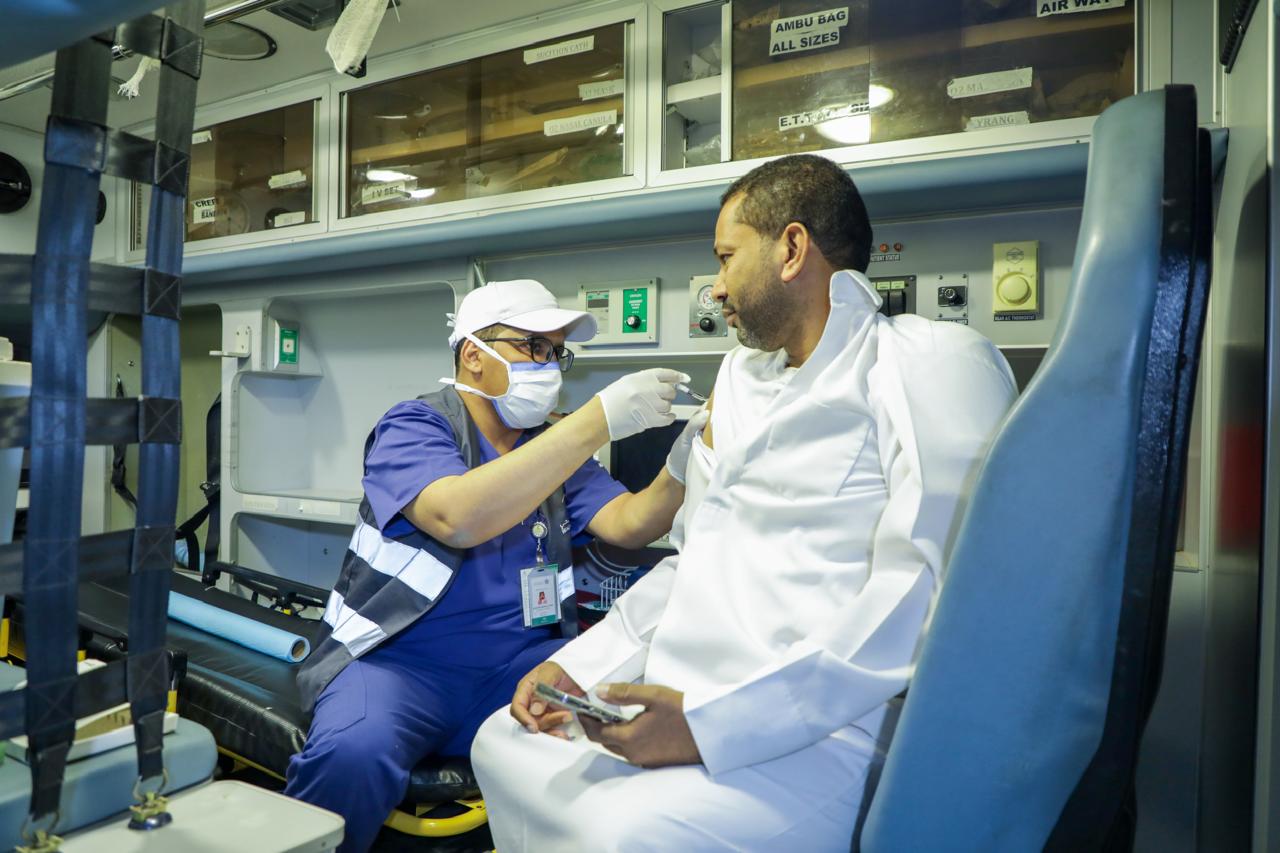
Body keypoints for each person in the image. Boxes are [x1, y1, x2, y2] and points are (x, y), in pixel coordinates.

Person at [470, 154, 1019, 850]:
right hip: (683, 700)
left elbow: (926, 595)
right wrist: (582, 666)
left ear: (792, 248)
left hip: (828, 729)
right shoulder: (739, 379)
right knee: (503, 742)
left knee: (622, 835)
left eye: (726, 258)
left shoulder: (926, 362)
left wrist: (711, 726)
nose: (717, 288)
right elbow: (693, 561)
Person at [285, 279, 707, 853]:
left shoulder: (550, 445)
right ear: (473, 355)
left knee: (620, 724)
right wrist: (598, 420)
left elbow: (631, 522)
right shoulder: (414, 427)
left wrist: (684, 462)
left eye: (555, 351)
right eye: (533, 347)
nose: (549, 365)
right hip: (399, 666)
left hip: (520, 666)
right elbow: (457, 516)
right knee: (352, 754)